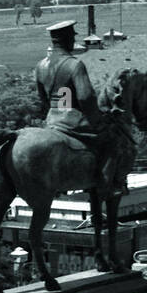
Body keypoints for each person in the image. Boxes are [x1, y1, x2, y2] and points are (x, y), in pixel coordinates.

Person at [35, 20, 122, 195]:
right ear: (68, 39)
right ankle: (106, 185)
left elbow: (43, 99)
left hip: (52, 119)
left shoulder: (40, 66)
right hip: (73, 121)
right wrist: (98, 119)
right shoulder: (75, 65)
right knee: (112, 139)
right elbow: (86, 97)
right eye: (72, 36)